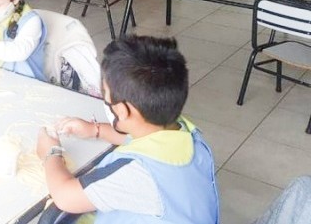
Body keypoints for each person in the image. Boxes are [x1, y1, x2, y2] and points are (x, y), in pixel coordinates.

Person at [36, 36, 219, 224]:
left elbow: (65, 197)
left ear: (122, 110)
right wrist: (95, 129)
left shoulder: (138, 174)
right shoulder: (186, 134)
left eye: (106, 97)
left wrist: (50, 152)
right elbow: (136, 140)